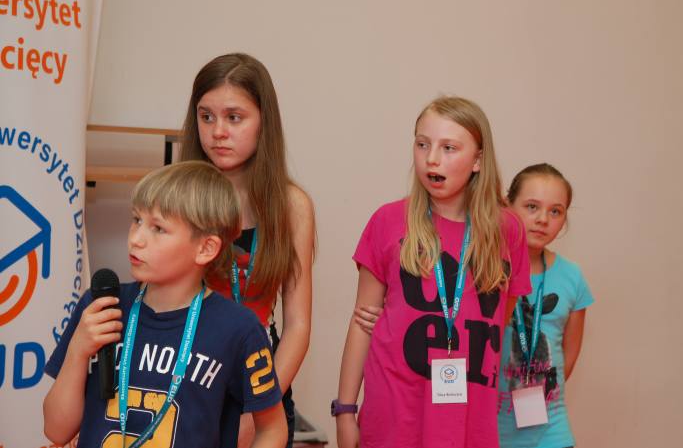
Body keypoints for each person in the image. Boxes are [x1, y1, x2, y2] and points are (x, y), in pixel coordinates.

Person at [43, 161, 287, 448]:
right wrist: (77, 351)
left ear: (205, 248)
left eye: (158, 228)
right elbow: (56, 430)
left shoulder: (239, 329)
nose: (136, 239)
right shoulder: (102, 307)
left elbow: (272, 430)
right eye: (136, 220)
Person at [335, 96, 531, 448]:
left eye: (449, 148)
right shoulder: (388, 221)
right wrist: (345, 411)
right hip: (395, 416)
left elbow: (501, 320)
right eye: (422, 144)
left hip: (470, 423)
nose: (432, 159)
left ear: (478, 160)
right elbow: (362, 323)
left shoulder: (509, 231)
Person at [179, 52, 314, 448]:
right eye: (206, 117)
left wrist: (260, 408)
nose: (218, 131)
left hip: (260, 381)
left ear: (263, 122)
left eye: (234, 117)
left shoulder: (292, 206)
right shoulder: (177, 198)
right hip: (186, 380)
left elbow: (298, 326)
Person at [497, 163, 594, 448]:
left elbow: (568, 357)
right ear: (507, 206)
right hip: (489, 431)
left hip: (551, 432)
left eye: (555, 211)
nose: (542, 219)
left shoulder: (572, 277)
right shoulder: (485, 270)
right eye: (531, 207)